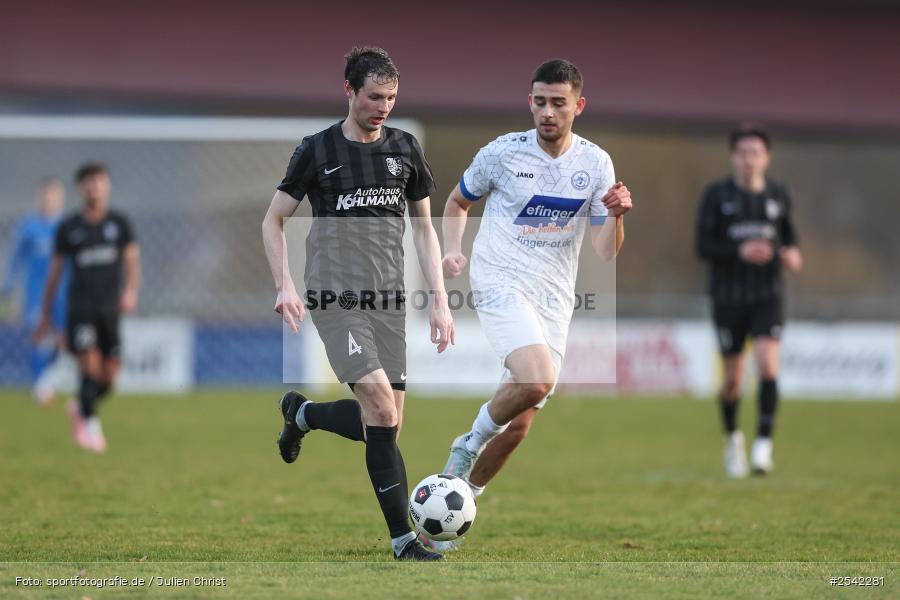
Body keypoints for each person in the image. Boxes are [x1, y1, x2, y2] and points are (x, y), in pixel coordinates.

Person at [261, 47, 453, 561]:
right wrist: (284, 284)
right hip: (335, 296)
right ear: (349, 91)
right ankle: (403, 542)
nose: (383, 106)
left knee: (385, 426)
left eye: (391, 97)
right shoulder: (316, 151)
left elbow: (424, 229)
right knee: (382, 408)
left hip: (389, 299)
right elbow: (272, 220)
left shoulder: (405, 149)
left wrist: (439, 299)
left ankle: (301, 414)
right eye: (374, 96)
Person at [439, 59, 632, 513]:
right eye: (540, 102)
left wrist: (617, 218)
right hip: (499, 278)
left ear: (578, 106)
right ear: (530, 102)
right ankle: (467, 444)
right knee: (536, 376)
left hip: (554, 296)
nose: (548, 112)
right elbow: (456, 201)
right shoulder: (502, 153)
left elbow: (606, 251)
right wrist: (452, 248)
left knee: (521, 425)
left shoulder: (595, 163)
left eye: (558, 104)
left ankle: (461, 502)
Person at [696, 123, 802, 477]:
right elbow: (702, 246)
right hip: (728, 297)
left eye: (756, 153)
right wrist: (739, 249)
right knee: (732, 382)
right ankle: (733, 441)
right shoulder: (716, 195)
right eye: (743, 153)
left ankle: (763, 447)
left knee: (768, 365)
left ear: (767, 157)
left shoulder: (778, 194)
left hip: (767, 294)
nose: (749, 160)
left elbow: (789, 238)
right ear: (733, 157)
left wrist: (792, 255)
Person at [36, 162, 141, 453]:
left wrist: (131, 292)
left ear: (106, 185)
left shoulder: (120, 223)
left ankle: (80, 407)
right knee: (89, 368)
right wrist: (45, 313)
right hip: (80, 309)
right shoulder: (69, 228)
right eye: (88, 182)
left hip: (110, 310)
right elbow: (55, 273)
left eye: (99, 181)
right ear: (81, 188)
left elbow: (132, 262)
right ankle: (91, 427)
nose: (94, 187)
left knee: (109, 378)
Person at [2, 177, 68, 405]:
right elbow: (16, 259)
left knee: (63, 341)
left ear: (61, 199)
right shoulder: (29, 226)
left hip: (63, 294)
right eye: (46, 195)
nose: (50, 200)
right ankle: (40, 385)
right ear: (40, 198)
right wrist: (8, 286)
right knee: (37, 337)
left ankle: (45, 380)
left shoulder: (67, 227)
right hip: (36, 294)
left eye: (54, 196)